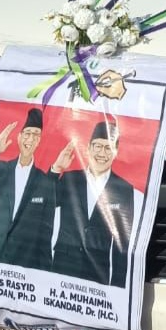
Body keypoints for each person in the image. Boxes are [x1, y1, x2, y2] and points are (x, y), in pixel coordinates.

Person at [52, 120, 136, 287]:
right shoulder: (70, 178)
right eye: (98, 146)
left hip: (97, 271)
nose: (102, 153)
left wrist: (117, 287)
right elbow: (44, 202)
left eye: (108, 148)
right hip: (63, 266)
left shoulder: (123, 188)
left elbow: (122, 241)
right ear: (88, 148)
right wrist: (56, 169)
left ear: (115, 152)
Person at [0, 108, 56, 270]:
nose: (31, 139)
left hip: (23, 265)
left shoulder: (45, 182)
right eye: (27, 133)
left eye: (36, 135)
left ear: (39, 141)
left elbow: (45, 235)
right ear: (19, 137)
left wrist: (45, 274)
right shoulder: (0, 169)